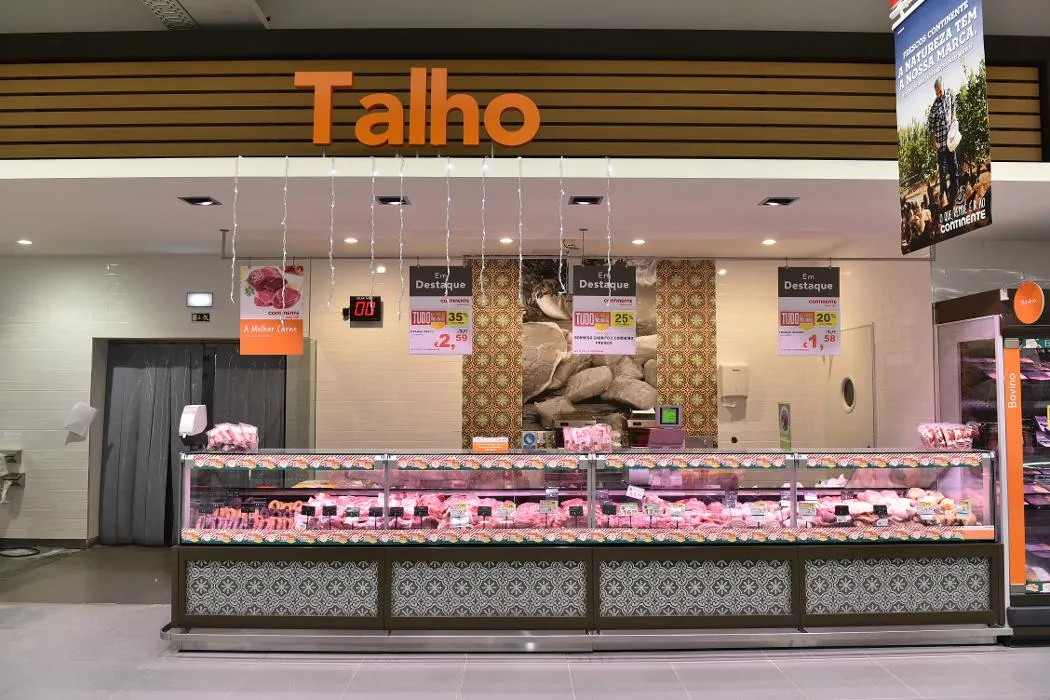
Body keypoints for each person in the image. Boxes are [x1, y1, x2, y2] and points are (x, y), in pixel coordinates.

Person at [927, 78, 960, 209]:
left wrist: (954, 117)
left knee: (954, 168)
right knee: (942, 172)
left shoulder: (950, 93)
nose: (939, 95)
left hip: (950, 141)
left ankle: (955, 195)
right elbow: (931, 126)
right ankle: (944, 198)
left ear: (943, 87)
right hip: (941, 144)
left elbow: (954, 106)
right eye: (937, 93)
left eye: (940, 92)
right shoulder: (934, 106)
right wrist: (934, 141)